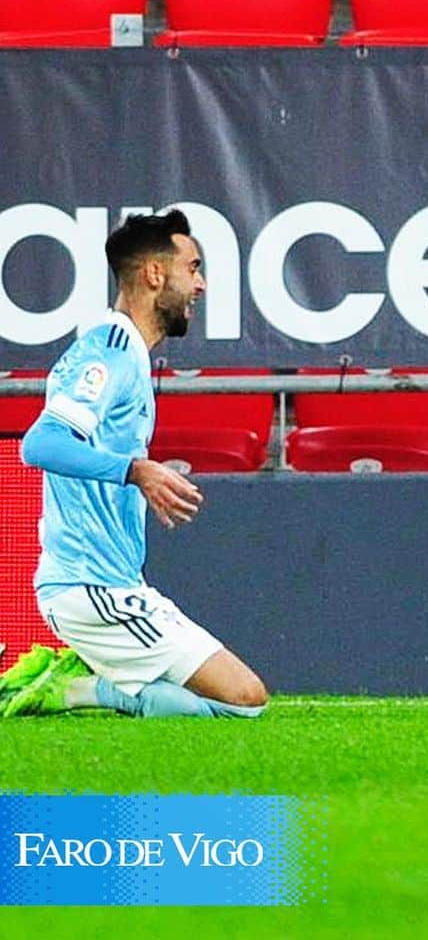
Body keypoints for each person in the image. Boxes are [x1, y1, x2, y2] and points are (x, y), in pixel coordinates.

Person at [6, 209, 268, 718]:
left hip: (114, 583)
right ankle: (78, 689)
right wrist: (136, 470)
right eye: (192, 268)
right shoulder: (109, 353)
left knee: (243, 698)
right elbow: (39, 444)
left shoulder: (128, 355)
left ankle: (83, 676)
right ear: (154, 274)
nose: (202, 283)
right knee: (244, 703)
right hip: (90, 588)